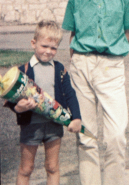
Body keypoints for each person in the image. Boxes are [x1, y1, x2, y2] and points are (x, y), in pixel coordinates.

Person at [62, 0, 129, 185]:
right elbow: (73, 34)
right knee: (86, 135)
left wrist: (110, 49)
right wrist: (79, 59)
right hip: (82, 66)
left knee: (116, 134)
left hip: (111, 66)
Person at [5, 20, 82, 185]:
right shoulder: (23, 70)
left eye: (53, 48)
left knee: (52, 167)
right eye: (44, 46)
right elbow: (11, 99)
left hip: (54, 125)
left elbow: (70, 94)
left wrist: (76, 117)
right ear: (34, 43)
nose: (48, 51)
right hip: (31, 126)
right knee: (26, 168)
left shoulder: (60, 69)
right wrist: (18, 107)